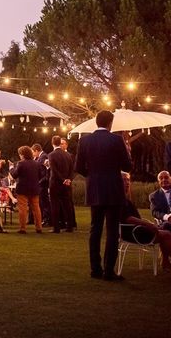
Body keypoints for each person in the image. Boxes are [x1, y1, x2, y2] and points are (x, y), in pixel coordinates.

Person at [75, 110, 132, 280]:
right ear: (110, 123)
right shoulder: (116, 140)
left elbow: (78, 167)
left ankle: (95, 269)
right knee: (112, 230)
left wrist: (92, 176)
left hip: (94, 188)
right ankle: (108, 270)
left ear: (96, 122)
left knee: (95, 229)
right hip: (113, 188)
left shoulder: (85, 141)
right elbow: (127, 166)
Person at [121, 172, 171, 270]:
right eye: (123, 180)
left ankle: (165, 261)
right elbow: (127, 218)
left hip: (137, 229)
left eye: (128, 180)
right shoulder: (119, 200)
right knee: (167, 234)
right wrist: (149, 224)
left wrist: (148, 225)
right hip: (134, 233)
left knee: (165, 231)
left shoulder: (124, 199)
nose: (127, 183)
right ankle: (165, 261)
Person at [10, 146, 44, 234]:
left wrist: (11, 168)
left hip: (22, 189)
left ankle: (23, 228)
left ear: (22, 154)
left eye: (20, 154)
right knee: (36, 208)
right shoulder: (37, 163)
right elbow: (41, 175)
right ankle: (39, 227)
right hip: (34, 188)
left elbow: (14, 175)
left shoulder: (21, 163)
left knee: (23, 209)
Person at [48, 135, 74, 233]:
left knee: (55, 205)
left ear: (52, 143)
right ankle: (69, 227)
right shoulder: (68, 155)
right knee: (67, 205)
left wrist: (63, 179)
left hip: (55, 183)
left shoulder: (51, 155)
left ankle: (56, 227)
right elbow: (72, 169)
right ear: (60, 143)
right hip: (66, 184)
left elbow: (54, 171)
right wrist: (68, 179)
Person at [32, 143, 50, 227]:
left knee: (44, 201)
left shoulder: (43, 157)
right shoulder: (41, 157)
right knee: (42, 201)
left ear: (36, 150)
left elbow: (46, 170)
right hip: (41, 182)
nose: (33, 154)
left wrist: (40, 181)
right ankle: (44, 219)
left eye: (33, 152)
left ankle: (46, 219)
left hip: (43, 183)